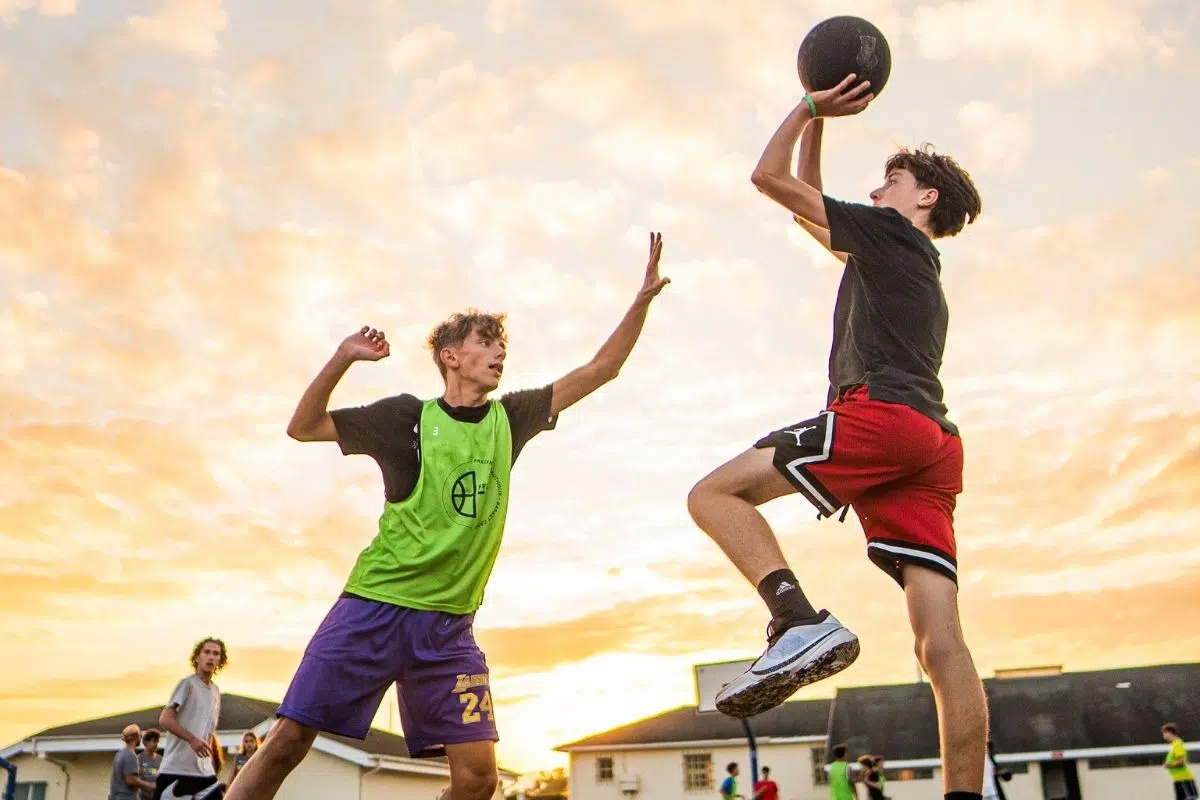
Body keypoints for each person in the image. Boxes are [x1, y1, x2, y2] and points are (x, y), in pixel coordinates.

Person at [225, 234, 671, 800]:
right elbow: (303, 426)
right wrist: (342, 358)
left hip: (448, 629)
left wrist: (642, 299)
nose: (499, 354)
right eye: (486, 343)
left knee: (479, 780)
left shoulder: (512, 417)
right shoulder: (404, 419)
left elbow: (602, 368)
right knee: (288, 741)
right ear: (451, 357)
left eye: (502, 346)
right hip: (374, 607)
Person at [686, 73, 986, 800]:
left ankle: (796, 619)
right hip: (931, 444)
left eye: (893, 179)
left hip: (881, 416)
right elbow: (811, 214)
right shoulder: (898, 258)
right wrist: (822, 126)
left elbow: (769, 178)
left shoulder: (890, 235)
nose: (878, 190)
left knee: (714, 495)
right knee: (938, 643)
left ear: (926, 199)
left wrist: (810, 105)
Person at [154, 638, 227, 800]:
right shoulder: (187, 685)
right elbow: (165, 719)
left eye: (216, 654)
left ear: (220, 661)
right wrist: (192, 740)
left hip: (204, 772)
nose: (211, 657)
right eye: (206, 652)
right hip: (176, 770)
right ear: (197, 657)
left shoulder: (215, 691)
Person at [110, 724, 157, 800]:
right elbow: (131, 780)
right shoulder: (130, 755)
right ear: (134, 737)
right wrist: (151, 785)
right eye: (140, 735)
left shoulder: (120, 753)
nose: (141, 737)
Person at [1163, 724, 1198, 800]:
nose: (1163, 735)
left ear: (1170, 732)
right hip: (1178, 779)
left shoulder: (1177, 744)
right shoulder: (1174, 745)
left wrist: (1169, 765)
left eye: (1164, 733)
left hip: (1184, 779)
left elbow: (1181, 762)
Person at [137, 729, 163, 800]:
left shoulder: (161, 759)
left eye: (157, 742)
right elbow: (136, 780)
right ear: (146, 742)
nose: (156, 744)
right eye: (154, 741)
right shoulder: (138, 759)